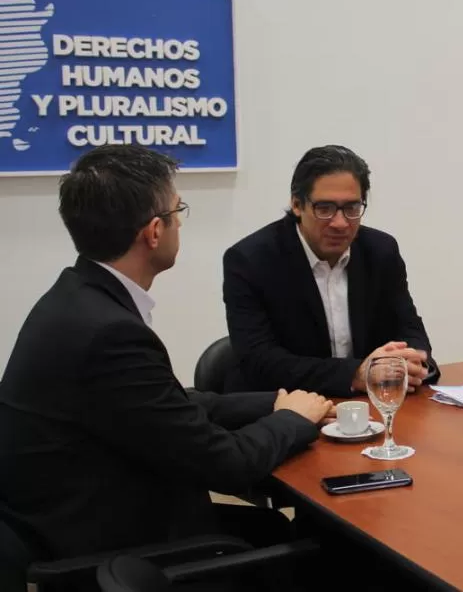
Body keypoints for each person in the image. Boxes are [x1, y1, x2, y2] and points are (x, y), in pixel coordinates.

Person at [0, 145, 332, 588]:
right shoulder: (109, 332)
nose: (180, 222)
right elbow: (226, 464)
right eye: (178, 211)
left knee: (280, 531)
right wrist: (293, 419)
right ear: (155, 231)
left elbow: (169, 406)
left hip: (72, 515)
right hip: (105, 546)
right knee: (321, 548)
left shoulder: (76, 298)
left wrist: (272, 402)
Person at [222, 145, 437, 398]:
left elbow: (409, 328)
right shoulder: (251, 260)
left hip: (368, 407)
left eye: (351, 208)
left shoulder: (381, 251)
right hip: (284, 413)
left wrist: (411, 361)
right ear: (297, 205)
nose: (340, 223)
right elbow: (260, 362)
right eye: (324, 208)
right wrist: (355, 374)